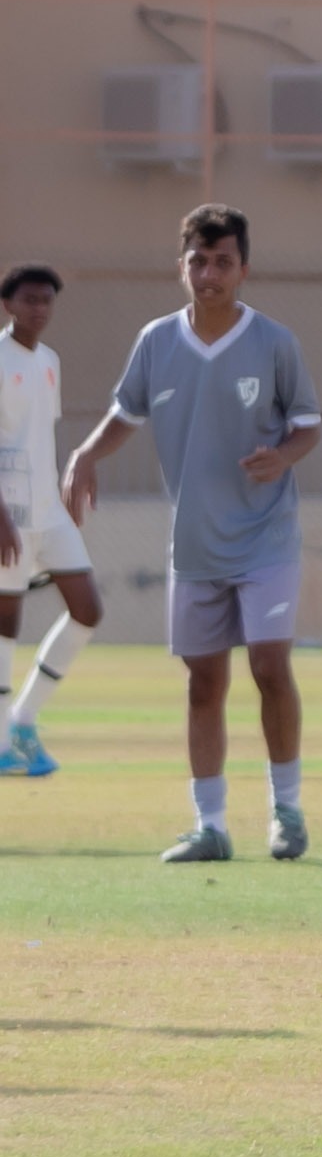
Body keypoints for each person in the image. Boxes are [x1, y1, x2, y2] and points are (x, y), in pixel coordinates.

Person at [61, 208, 321, 863]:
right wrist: (86, 454)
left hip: (265, 537)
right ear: (182, 266)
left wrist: (283, 457)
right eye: (198, 262)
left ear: (243, 269)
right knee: (203, 683)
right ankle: (210, 826)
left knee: (269, 665)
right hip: (196, 545)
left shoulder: (275, 342)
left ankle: (287, 812)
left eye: (222, 262)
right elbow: (125, 414)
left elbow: (308, 426)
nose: (209, 275)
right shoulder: (157, 342)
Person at [0, 262, 103, 779]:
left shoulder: (49, 361)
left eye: (46, 300)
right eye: (29, 299)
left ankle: (23, 721)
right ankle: (2, 741)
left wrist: (66, 486)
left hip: (47, 510)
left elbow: (41, 434)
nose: (39, 308)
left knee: (87, 610)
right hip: (6, 512)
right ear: (8, 305)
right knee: (6, 622)